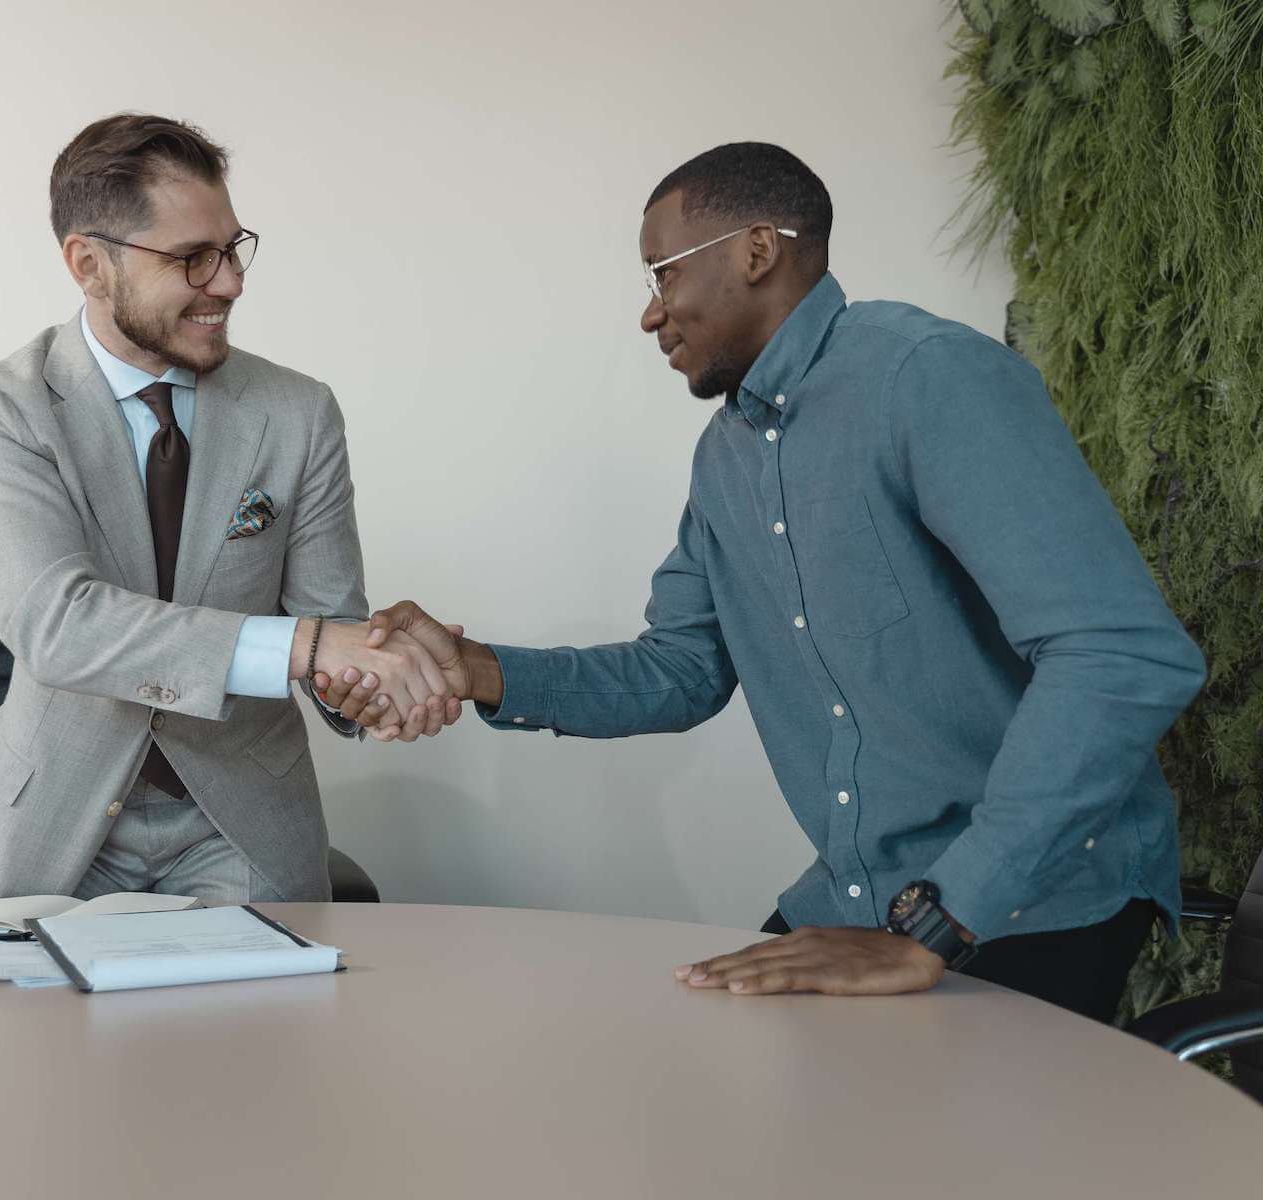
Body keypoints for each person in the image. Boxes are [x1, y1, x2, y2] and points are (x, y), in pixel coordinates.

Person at [318, 143, 1207, 1022]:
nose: (649, 314)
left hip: (1027, 897)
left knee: (888, 1158)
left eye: (660, 274)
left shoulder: (926, 376)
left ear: (756, 250)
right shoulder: (726, 457)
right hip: (865, 899)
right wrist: (476, 669)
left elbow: (1121, 654)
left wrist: (940, 921)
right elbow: (681, 671)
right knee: (708, 1078)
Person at [0, 113, 453, 906]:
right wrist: (313, 647)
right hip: (54, 819)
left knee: (257, 1032)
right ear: (89, 264)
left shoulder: (298, 412)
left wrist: (369, 679)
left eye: (234, 248)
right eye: (192, 258)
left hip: (239, 820)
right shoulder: (1, 407)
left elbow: (327, 623)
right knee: (26, 1031)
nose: (231, 282)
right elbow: (55, 624)